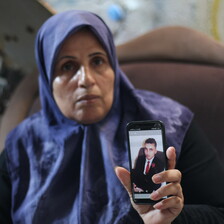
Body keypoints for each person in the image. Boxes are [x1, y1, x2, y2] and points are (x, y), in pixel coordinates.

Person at [0, 10, 224, 224]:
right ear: (48, 81)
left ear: (113, 68)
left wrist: (170, 219)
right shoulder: (23, 144)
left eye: (97, 61)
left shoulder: (170, 122)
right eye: (68, 66)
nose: (86, 79)